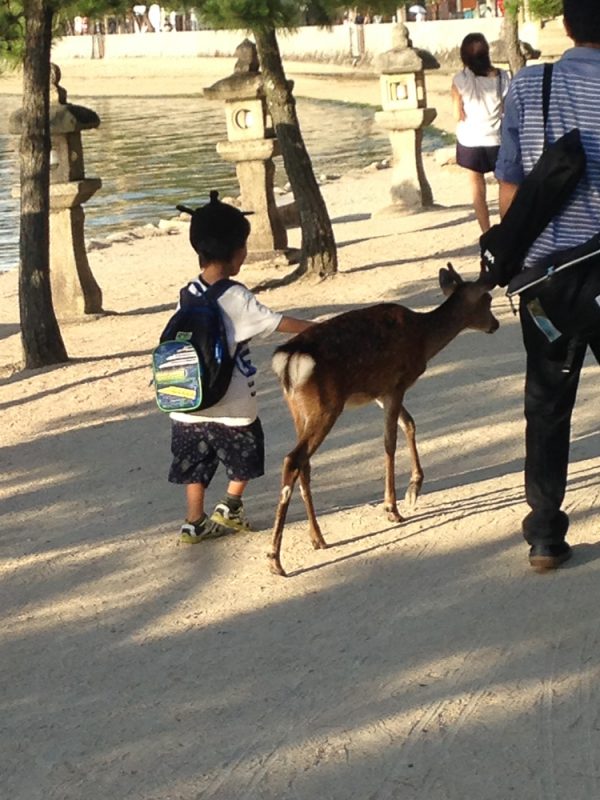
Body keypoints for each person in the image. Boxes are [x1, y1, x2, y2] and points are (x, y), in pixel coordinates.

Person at [495, 0, 600, 572]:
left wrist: (515, 260)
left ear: (567, 25)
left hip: (546, 281)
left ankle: (544, 534)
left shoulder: (530, 85)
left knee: (547, 402)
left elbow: (512, 187)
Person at [168, 191, 312, 544]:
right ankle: (231, 505)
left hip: (187, 399)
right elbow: (276, 322)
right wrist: (319, 329)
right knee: (244, 451)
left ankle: (193, 521)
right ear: (236, 252)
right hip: (232, 399)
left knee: (194, 461)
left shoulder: (188, 292)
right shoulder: (235, 296)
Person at [451, 33, 510, 232]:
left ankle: (486, 231)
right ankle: (506, 229)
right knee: (505, 184)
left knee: (476, 185)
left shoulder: (460, 79)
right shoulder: (503, 77)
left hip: (470, 139)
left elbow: (456, 113)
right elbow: (507, 109)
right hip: (496, 138)